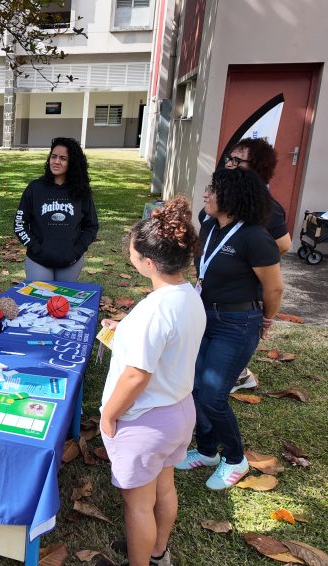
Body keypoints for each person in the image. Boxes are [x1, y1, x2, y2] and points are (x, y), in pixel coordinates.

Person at [97, 196, 205, 566]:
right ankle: (158, 552)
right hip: (178, 411)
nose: (129, 253)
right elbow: (166, 343)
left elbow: (136, 375)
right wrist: (123, 329)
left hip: (145, 420)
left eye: (132, 251)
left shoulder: (155, 311)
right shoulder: (188, 296)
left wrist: (109, 415)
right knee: (165, 486)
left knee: (138, 505)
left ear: (148, 262)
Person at [176, 168, 284, 490]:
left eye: (213, 189)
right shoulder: (209, 225)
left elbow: (274, 288)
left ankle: (235, 458)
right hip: (204, 317)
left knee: (213, 394)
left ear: (233, 197)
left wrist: (266, 320)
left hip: (237, 324)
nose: (206, 194)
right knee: (196, 386)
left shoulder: (255, 237)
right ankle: (207, 450)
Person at [219, 137, 291, 393]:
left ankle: (238, 375)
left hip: (243, 293)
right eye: (230, 158)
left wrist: (250, 258)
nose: (229, 164)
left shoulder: (268, 208)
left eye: (237, 160)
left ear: (257, 167)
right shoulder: (225, 197)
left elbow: (284, 245)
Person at [14, 137, 99, 282]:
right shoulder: (35, 188)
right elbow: (19, 223)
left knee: (63, 303)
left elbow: (91, 226)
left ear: (72, 163)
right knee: (40, 302)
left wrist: (76, 251)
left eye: (63, 158)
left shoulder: (81, 191)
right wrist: (36, 248)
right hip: (38, 260)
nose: (56, 161)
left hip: (70, 261)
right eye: (53, 156)